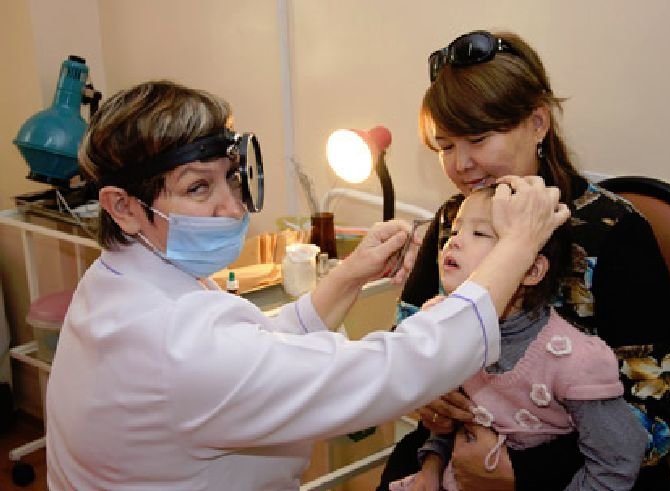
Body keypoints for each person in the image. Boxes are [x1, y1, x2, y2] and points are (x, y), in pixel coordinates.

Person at [43, 80, 569, 490]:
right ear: (123, 206)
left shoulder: (118, 279)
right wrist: (516, 246)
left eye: (231, 177)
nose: (233, 207)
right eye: (199, 187)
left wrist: (349, 275)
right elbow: (388, 371)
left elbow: (259, 348)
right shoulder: (173, 344)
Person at [377, 30, 670, 491]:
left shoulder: (612, 232)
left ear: (538, 123)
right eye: (445, 146)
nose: (460, 164)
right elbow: (406, 342)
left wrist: (519, 474)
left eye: (477, 139)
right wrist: (427, 395)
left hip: (577, 462)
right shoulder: (452, 220)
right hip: (456, 444)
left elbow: (661, 415)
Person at [388, 189, 647, 491]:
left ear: (532, 270)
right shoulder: (442, 322)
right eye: (455, 231)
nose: (453, 241)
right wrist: (430, 468)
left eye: (480, 233)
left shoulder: (575, 362)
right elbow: (454, 418)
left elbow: (617, 461)